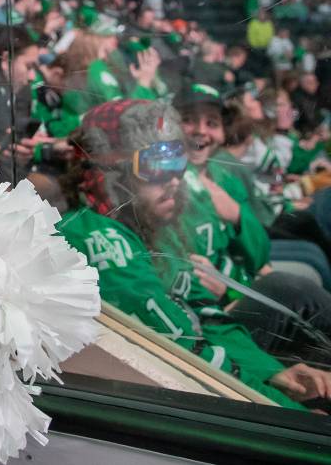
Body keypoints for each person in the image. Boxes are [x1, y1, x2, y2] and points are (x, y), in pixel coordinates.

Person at [58, 99, 330, 410]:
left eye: (177, 161)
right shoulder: (99, 239)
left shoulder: (156, 224)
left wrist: (275, 375)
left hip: (212, 371)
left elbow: (208, 317)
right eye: (156, 164)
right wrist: (296, 416)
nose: (174, 179)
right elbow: (183, 352)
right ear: (108, 171)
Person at [175, 85, 331, 365]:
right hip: (221, 316)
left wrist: (236, 214)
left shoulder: (223, 178)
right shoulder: (168, 186)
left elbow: (259, 251)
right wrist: (236, 288)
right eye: (189, 120)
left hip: (242, 288)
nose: (201, 130)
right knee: (293, 289)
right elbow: (196, 279)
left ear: (222, 132)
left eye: (211, 122)